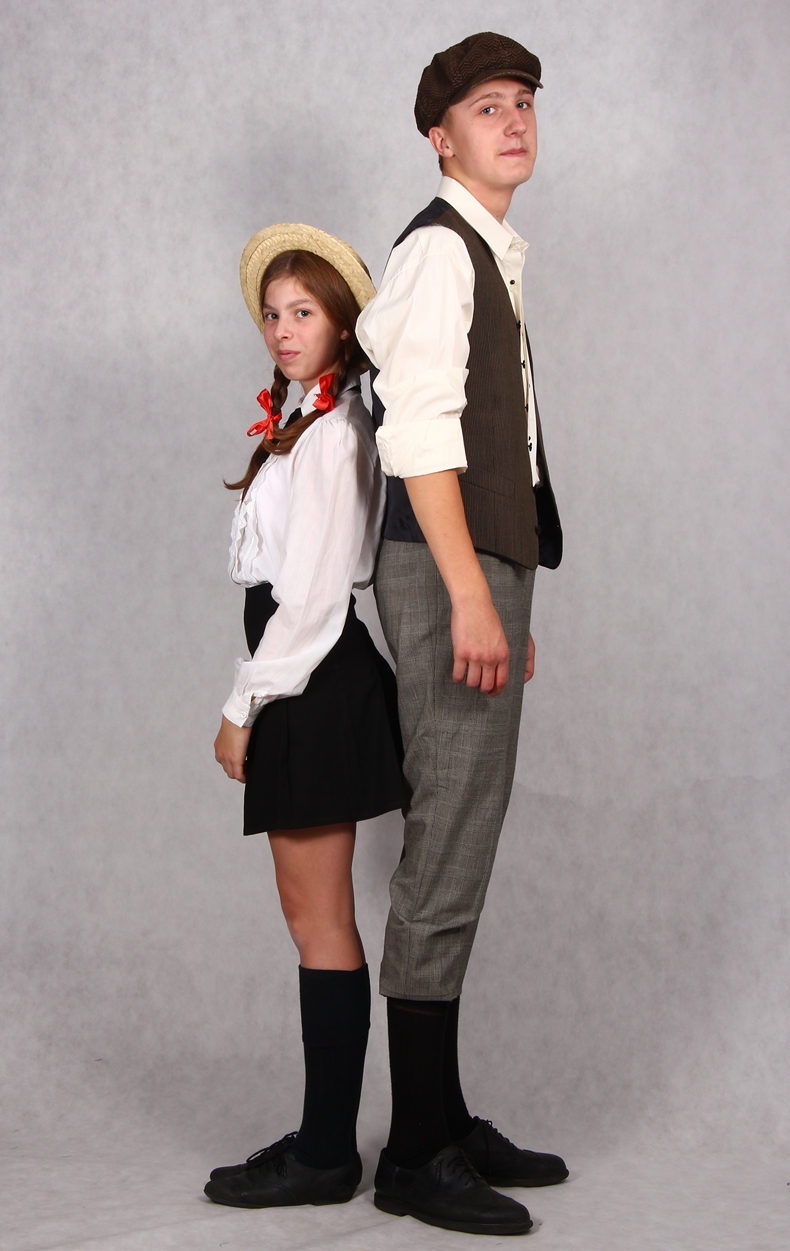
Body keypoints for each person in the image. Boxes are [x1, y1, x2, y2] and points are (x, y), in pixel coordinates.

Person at [355, 32, 568, 1236]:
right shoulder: (440, 251)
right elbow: (418, 436)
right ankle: (414, 1156)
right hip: (447, 566)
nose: (514, 119)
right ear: (440, 137)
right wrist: (471, 596)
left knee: (464, 833)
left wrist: (505, 585)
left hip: (476, 562)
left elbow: (493, 440)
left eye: (523, 101)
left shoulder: (486, 247)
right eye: (487, 106)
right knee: (444, 846)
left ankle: (442, 1115)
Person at [204, 224, 404, 1210]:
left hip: (309, 680)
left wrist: (242, 704)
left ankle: (325, 1153)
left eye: (304, 311)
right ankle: (324, 1138)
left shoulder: (334, 433)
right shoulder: (306, 420)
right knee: (310, 915)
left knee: (319, 917)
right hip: (305, 676)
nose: (283, 329)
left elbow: (316, 601)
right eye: (273, 314)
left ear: (342, 323)